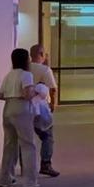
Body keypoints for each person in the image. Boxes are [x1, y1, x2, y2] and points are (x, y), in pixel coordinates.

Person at [0, 48, 39, 187]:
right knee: (28, 145)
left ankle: (5, 178)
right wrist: (36, 91)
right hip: (22, 109)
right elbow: (27, 94)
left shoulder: (9, 75)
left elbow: (0, 95)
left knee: (9, 145)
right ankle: (30, 180)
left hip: (8, 108)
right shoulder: (27, 75)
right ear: (25, 60)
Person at [29, 44, 60, 177]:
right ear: (41, 54)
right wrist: (53, 104)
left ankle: (26, 166)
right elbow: (53, 88)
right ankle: (46, 164)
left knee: (25, 138)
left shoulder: (24, 69)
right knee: (47, 136)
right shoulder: (45, 69)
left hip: (25, 107)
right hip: (41, 108)